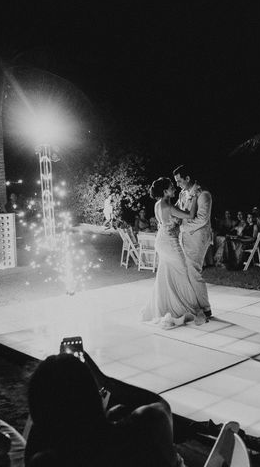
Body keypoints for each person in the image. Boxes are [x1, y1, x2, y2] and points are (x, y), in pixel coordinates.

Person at [25, 353, 185, 467]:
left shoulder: (48, 461)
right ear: (93, 396)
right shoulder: (140, 432)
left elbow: (33, 447)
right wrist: (103, 380)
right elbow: (160, 405)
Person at [141, 177, 206, 328]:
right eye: (171, 187)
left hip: (162, 240)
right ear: (165, 191)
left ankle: (168, 306)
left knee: (167, 274)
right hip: (169, 242)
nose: (174, 189)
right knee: (182, 271)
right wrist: (195, 197)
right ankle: (184, 307)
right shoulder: (168, 207)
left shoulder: (159, 204)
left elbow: (173, 216)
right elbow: (190, 215)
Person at [173, 165, 213, 319]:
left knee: (194, 272)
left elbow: (202, 219)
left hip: (198, 239)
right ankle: (194, 304)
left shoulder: (204, 194)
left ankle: (206, 308)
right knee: (187, 271)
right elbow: (177, 209)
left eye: (179, 180)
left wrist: (182, 227)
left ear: (188, 178)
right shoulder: (183, 194)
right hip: (184, 238)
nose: (177, 184)